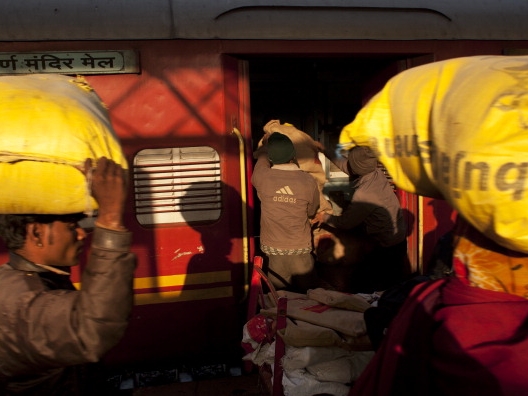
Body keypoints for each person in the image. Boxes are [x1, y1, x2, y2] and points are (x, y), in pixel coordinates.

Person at [0, 157, 136, 396]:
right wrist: (111, 218)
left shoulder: (25, 279)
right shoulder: (22, 305)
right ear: (36, 233)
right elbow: (93, 327)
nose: (82, 234)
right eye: (72, 226)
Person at [312, 145, 409, 293]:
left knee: (379, 287)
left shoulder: (365, 193)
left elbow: (346, 223)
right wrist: (323, 148)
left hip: (388, 247)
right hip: (394, 237)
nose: (347, 163)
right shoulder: (374, 171)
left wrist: (323, 216)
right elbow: (343, 163)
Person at [251, 132, 320, 293]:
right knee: (309, 298)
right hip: (300, 251)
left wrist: (264, 148)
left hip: (274, 253)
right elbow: (312, 211)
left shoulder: (262, 177)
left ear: (271, 157)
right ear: (293, 155)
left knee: (279, 299)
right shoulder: (307, 180)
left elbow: (261, 159)